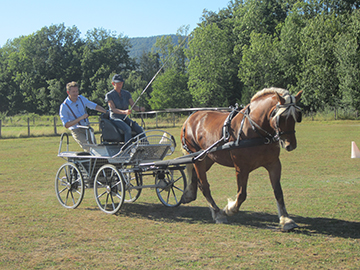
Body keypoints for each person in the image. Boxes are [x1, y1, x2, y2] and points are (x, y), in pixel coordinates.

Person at [59, 81, 107, 151]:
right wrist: (80, 118)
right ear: (68, 92)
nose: (76, 94)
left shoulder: (81, 98)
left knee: (95, 148)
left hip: (87, 128)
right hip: (76, 130)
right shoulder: (64, 106)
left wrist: (106, 111)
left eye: (76, 91)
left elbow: (93, 106)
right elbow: (66, 125)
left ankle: (96, 161)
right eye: (73, 92)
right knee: (88, 148)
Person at [105, 74, 145, 143]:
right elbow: (113, 109)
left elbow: (134, 107)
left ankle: (146, 146)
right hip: (115, 118)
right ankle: (127, 148)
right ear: (113, 83)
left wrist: (140, 109)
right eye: (118, 84)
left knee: (139, 128)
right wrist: (125, 112)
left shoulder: (126, 93)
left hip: (125, 117)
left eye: (121, 83)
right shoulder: (109, 95)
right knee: (127, 129)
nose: (120, 85)